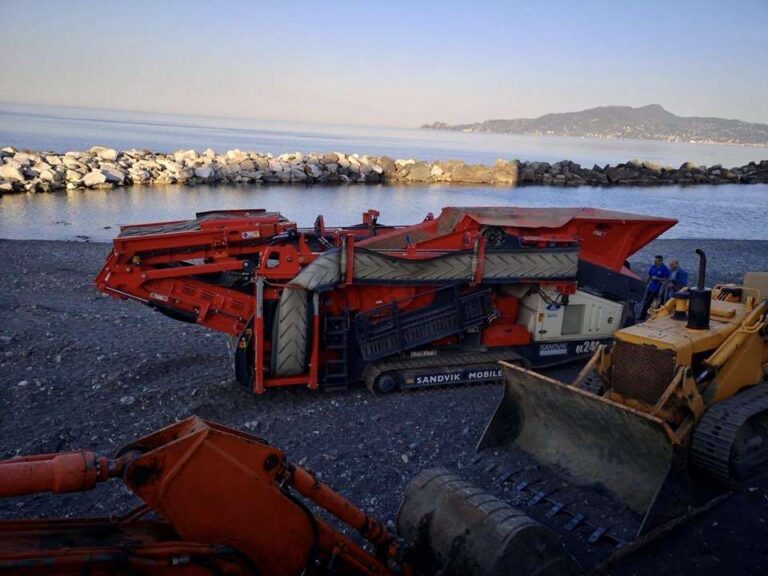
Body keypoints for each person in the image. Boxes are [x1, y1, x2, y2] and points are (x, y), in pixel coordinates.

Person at [639, 255, 670, 319]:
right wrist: (645, 284)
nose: (655, 262)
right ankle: (642, 316)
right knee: (647, 302)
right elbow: (649, 276)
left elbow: (666, 279)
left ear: (661, 261)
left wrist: (657, 278)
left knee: (659, 304)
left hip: (659, 290)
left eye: (657, 261)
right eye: (655, 261)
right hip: (651, 288)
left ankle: (658, 317)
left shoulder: (665, 269)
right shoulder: (653, 267)